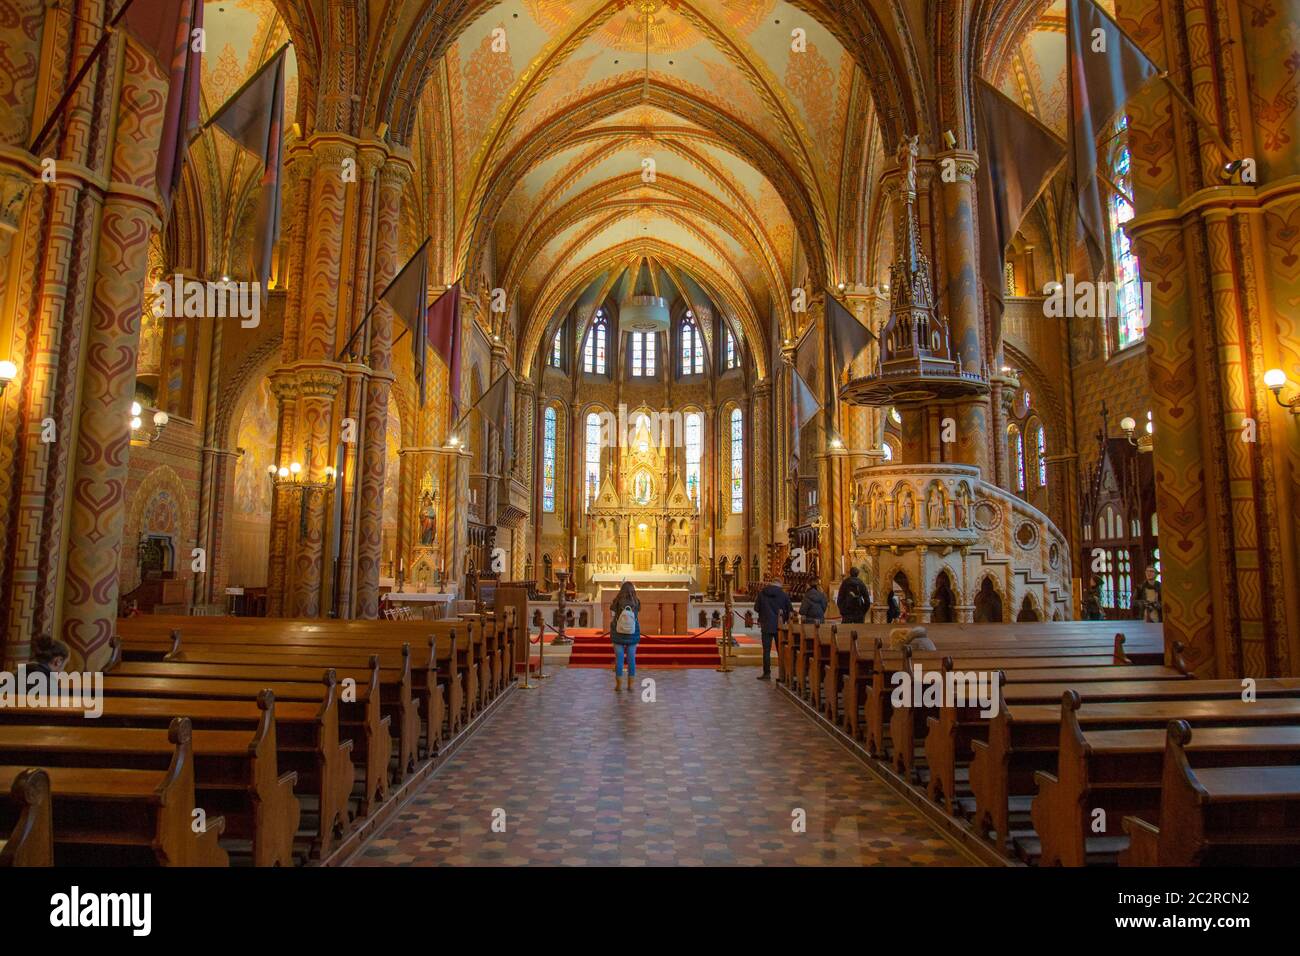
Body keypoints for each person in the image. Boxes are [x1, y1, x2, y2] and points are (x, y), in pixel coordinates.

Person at [754, 576, 793, 681]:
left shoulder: (762, 593)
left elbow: (756, 608)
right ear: (780, 584)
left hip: (766, 625)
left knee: (766, 651)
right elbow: (790, 610)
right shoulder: (783, 595)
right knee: (781, 651)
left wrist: (764, 614)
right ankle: (782, 675)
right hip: (779, 626)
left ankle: (766, 673)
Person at [609, 580, 641, 691]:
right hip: (632, 633)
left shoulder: (617, 601)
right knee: (631, 659)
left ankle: (618, 685)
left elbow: (612, 616)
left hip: (618, 633)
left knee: (619, 659)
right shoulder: (636, 601)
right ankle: (630, 685)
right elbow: (636, 617)